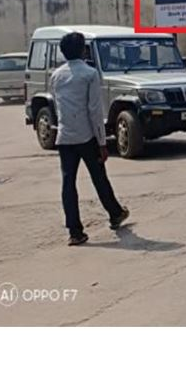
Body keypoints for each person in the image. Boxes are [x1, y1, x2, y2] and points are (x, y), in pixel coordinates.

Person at [50, 32, 130, 246]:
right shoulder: (89, 74)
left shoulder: (56, 75)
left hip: (65, 136)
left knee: (68, 183)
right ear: (82, 50)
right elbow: (95, 110)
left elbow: (58, 106)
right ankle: (115, 213)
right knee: (99, 177)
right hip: (86, 136)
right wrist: (102, 142)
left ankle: (74, 231)